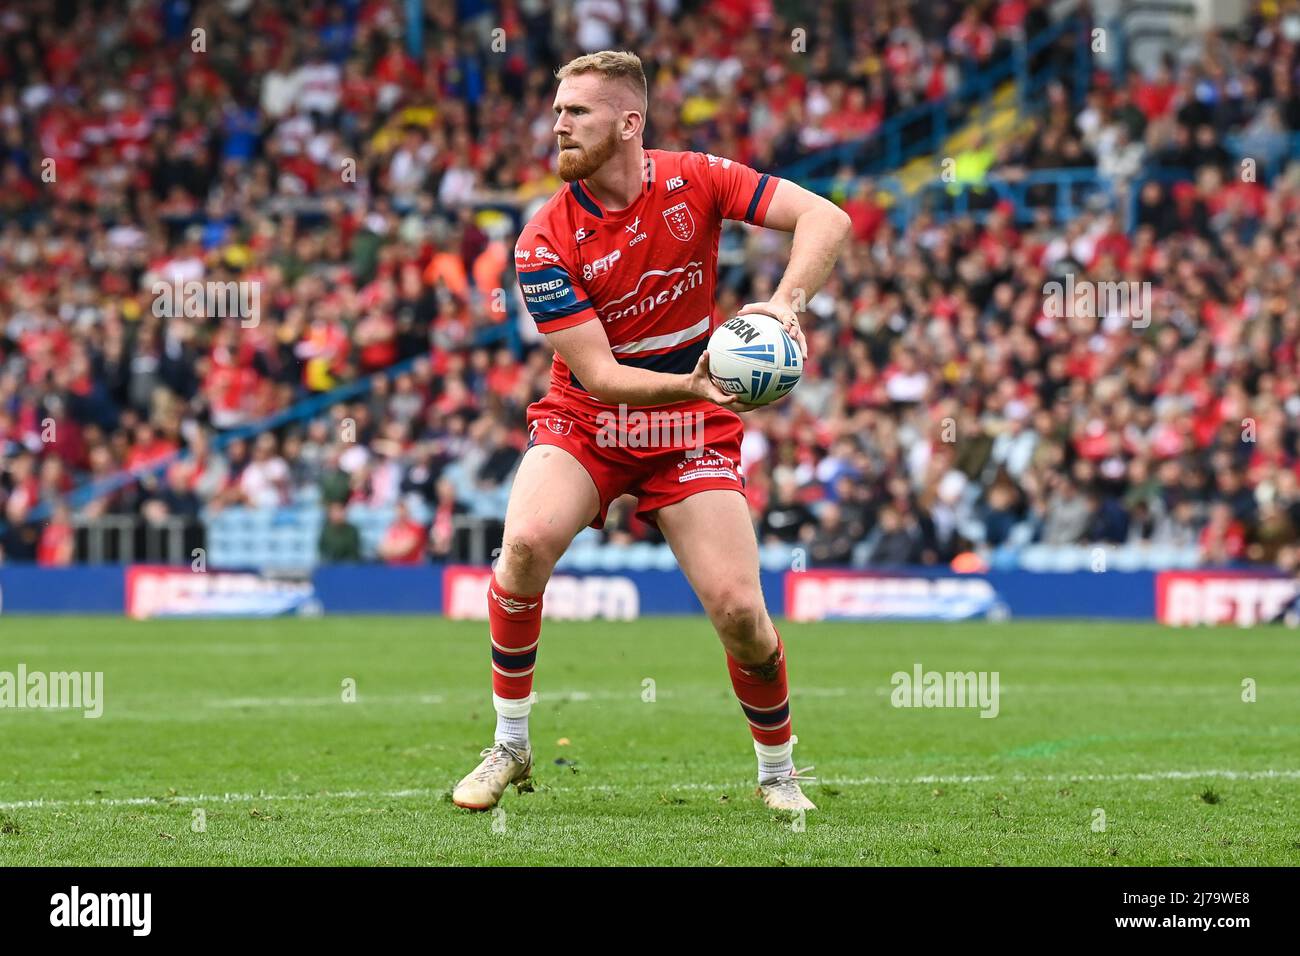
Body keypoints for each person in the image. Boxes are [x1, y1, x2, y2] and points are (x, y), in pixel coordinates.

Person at [451, 51, 851, 813]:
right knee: (526, 543)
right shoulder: (542, 240)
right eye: (558, 110)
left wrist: (785, 302)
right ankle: (509, 743)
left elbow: (826, 217)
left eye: (578, 113)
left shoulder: (696, 178)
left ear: (629, 123)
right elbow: (600, 376)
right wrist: (698, 381)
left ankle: (777, 773)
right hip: (588, 420)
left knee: (741, 612)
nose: (558, 125)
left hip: (689, 429)